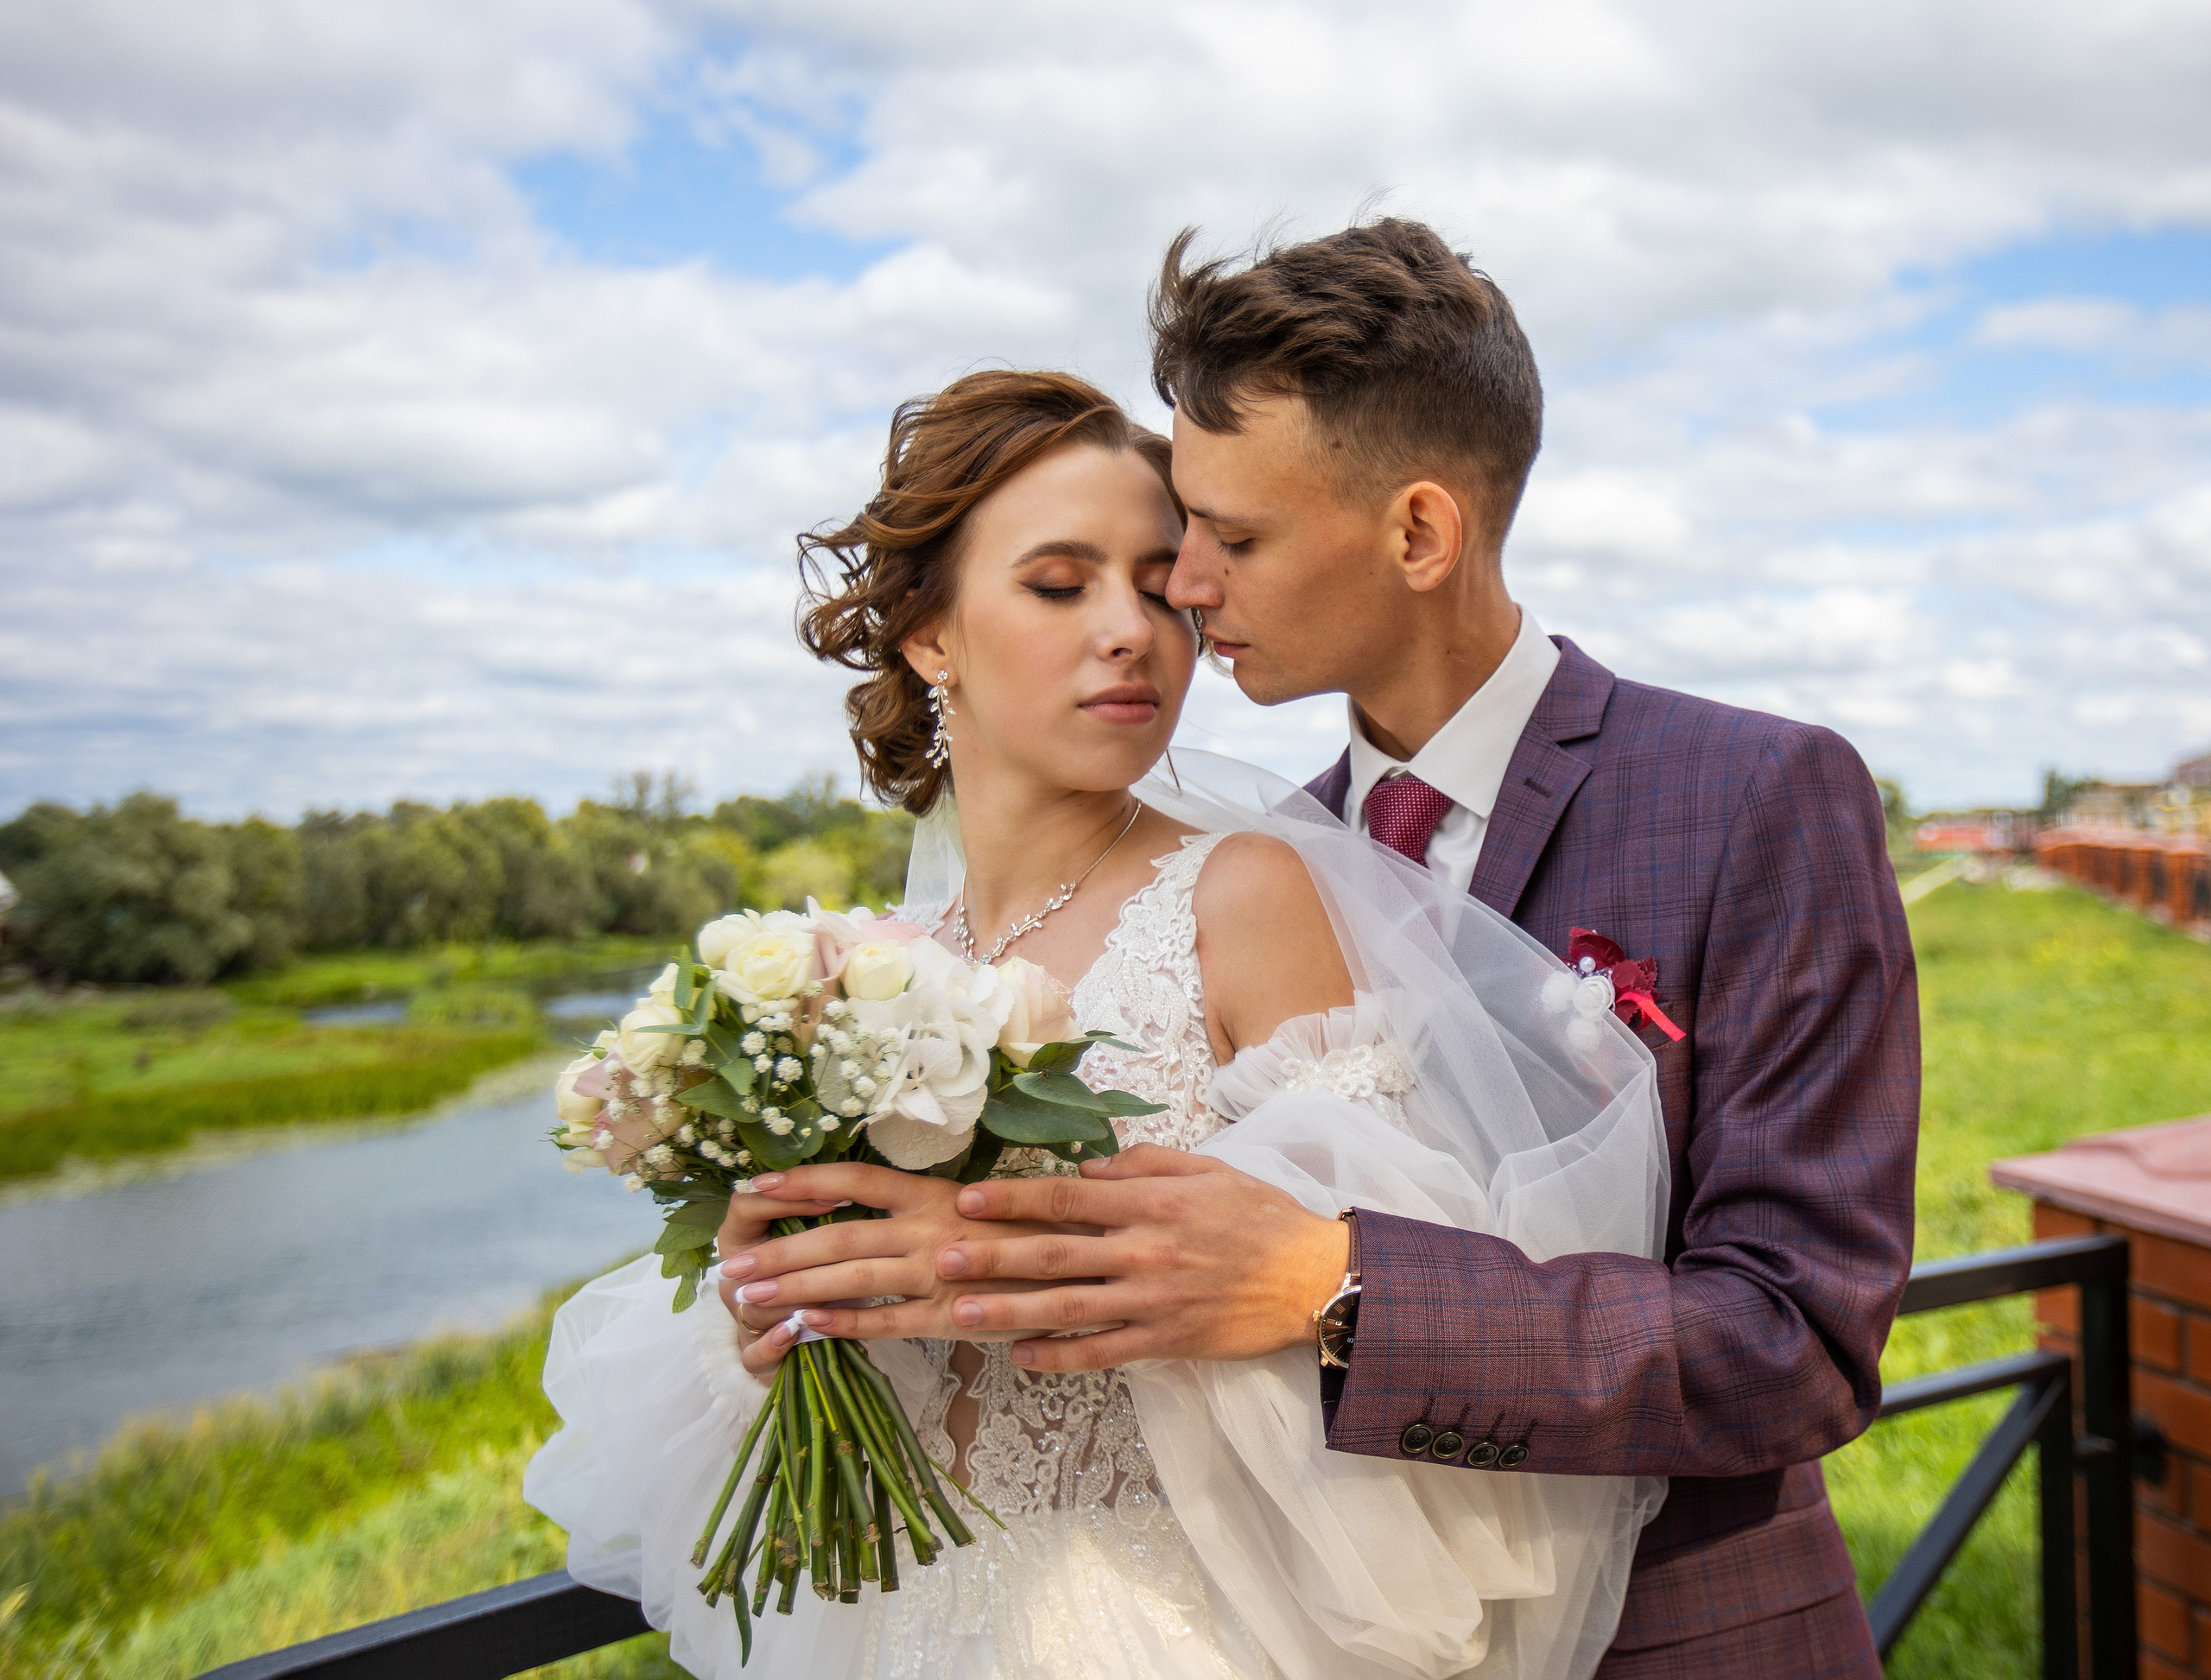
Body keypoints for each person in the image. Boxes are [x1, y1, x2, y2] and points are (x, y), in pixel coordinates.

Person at [734, 223, 1920, 1678]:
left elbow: (1796, 1338)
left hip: (1683, 1640)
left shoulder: (1749, 798)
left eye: (1225, 542)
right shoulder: (1271, 856)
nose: (1183, 593)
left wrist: (1337, 1287)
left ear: (1419, 533)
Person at [526, 366, 1676, 1680]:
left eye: (1162, 583)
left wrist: (979, 1264)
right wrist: (778, 1308)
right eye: (1061, 584)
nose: (1134, 629)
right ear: (929, 634)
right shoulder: (864, 976)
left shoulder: (1245, 895)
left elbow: (1368, 1325)